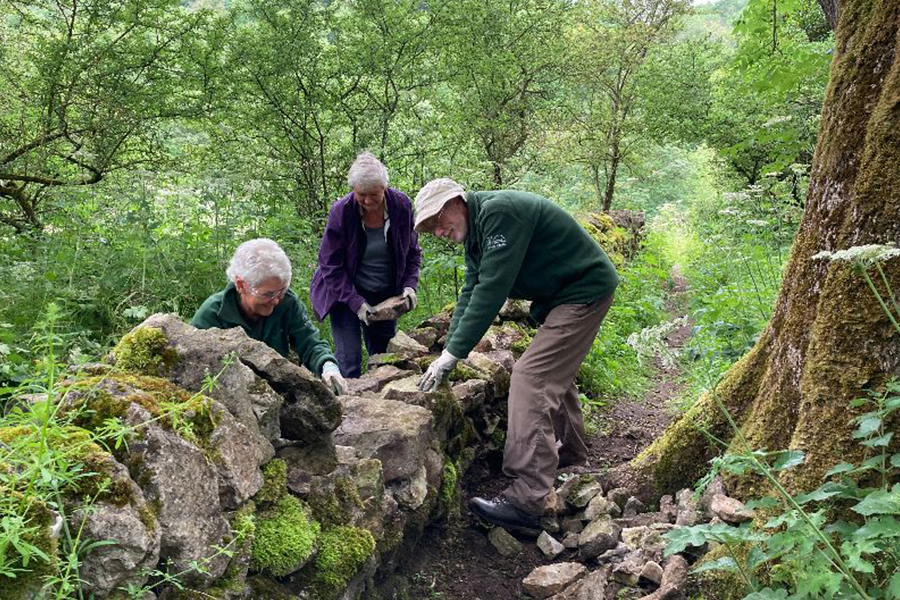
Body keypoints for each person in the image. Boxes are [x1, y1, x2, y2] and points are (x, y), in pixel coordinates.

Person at [413, 178, 619, 535]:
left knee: (532, 377)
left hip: (583, 292)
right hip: (565, 297)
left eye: (438, 220)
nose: (438, 232)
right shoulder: (478, 231)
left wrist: (454, 353)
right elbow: (471, 291)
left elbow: (492, 289)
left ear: (457, 202)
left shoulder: (499, 214)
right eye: (430, 228)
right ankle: (567, 455)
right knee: (553, 374)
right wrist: (447, 349)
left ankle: (527, 499)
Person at [310, 152, 422, 378]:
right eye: (362, 195)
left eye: (374, 195)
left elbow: (411, 251)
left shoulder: (401, 205)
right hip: (344, 294)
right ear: (353, 190)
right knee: (348, 362)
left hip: (384, 295)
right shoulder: (341, 211)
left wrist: (410, 286)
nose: (368, 201)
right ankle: (347, 409)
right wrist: (355, 302)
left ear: (385, 188)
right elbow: (329, 265)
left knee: (382, 361)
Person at [191, 238, 347, 396]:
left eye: (281, 291)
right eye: (268, 294)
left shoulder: (288, 303)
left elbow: (309, 342)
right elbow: (194, 367)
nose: (276, 300)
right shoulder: (212, 315)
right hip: (229, 396)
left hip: (278, 393)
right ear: (241, 285)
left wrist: (327, 366)